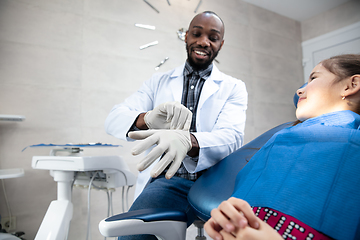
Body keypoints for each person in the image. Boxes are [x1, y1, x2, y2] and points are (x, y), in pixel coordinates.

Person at [105, 11, 248, 240]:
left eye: (213, 37)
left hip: (211, 180)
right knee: (132, 235)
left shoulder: (233, 87)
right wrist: (147, 118)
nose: (203, 41)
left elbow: (231, 137)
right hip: (170, 182)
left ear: (221, 44)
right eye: (196, 33)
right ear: (186, 37)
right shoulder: (157, 82)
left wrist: (188, 140)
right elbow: (113, 119)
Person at [204, 54, 360, 240]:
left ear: (351, 85)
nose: (299, 90)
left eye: (314, 78)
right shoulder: (283, 138)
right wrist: (229, 217)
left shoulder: (353, 144)